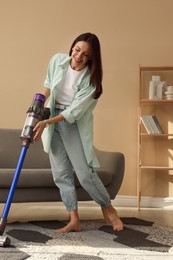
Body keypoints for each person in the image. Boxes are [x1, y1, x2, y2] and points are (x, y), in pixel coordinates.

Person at [33, 32, 123, 233]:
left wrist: (47, 122)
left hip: (70, 122)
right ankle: (74, 219)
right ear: (72, 47)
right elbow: (48, 85)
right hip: (51, 116)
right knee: (61, 173)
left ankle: (109, 209)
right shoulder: (57, 61)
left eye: (86, 54)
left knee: (85, 174)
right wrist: (37, 106)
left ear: (92, 58)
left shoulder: (91, 81)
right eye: (77, 50)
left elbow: (73, 112)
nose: (79, 56)